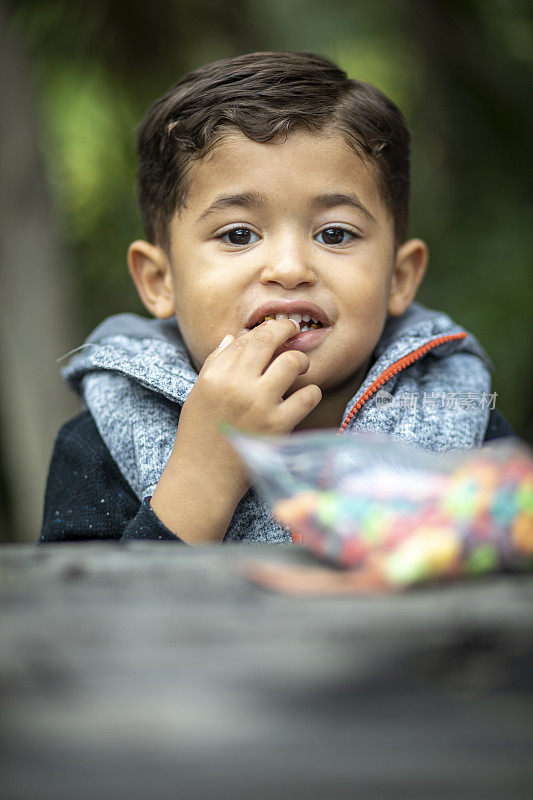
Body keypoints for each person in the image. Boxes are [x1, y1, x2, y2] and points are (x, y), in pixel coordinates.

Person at [39, 51, 514, 546]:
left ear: (399, 277)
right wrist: (202, 478)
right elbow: (87, 616)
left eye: (334, 234)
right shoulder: (102, 442)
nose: (289, 269)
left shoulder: (462, 418)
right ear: (161, 282)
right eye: (239, 235)